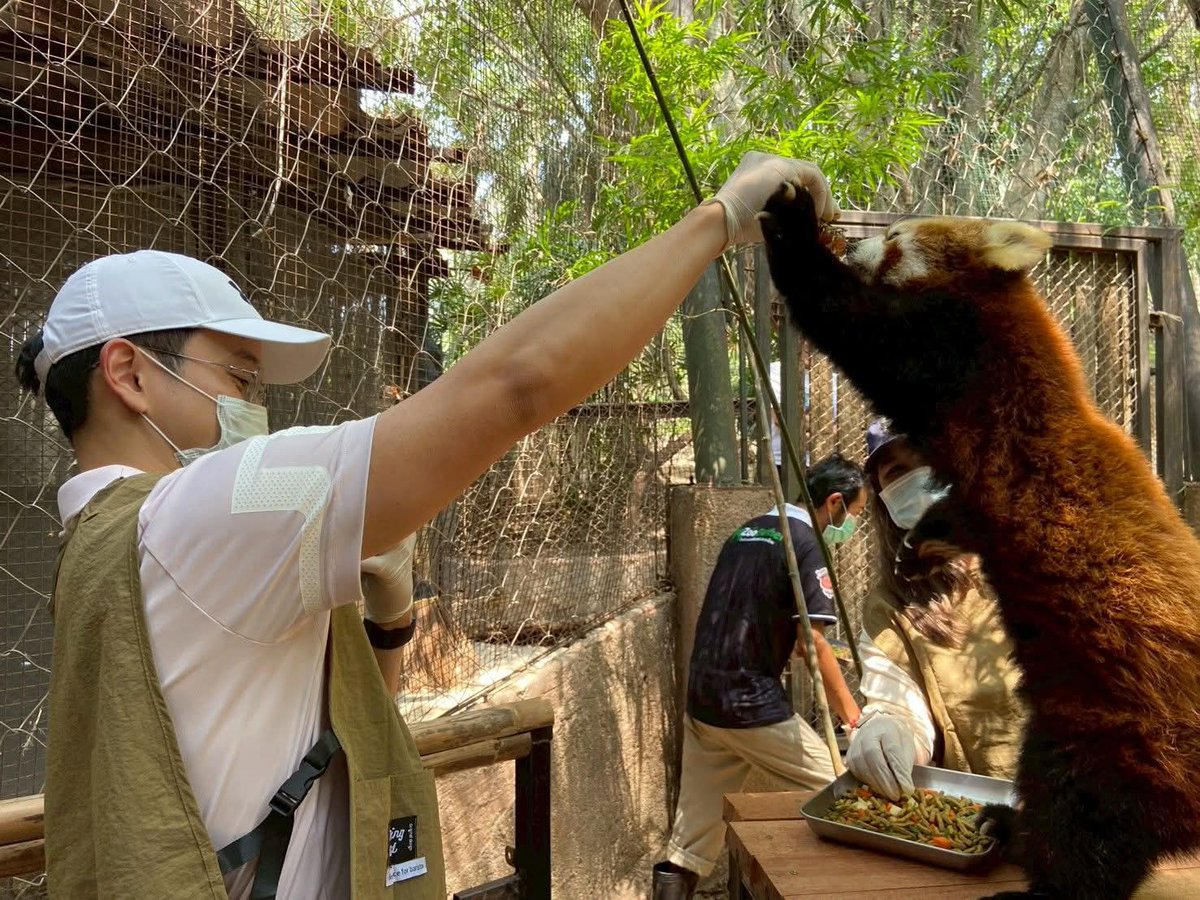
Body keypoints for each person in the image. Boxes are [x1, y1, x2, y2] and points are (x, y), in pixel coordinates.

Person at [17, 152, 839, 898]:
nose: (253, 408)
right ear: (128, 373)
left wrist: (391, 621)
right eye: (237, 375)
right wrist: (719, 220)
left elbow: (340, 726)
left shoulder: (102, 542)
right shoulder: (189, 515)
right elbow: (517, 385)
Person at [656, 453, 866, 898]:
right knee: (843, 794)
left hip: (705, 700)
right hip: (750, 705)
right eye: (855, 513)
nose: (852, 526)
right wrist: (852, 714)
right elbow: (813, 641)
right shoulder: (804, 542)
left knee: (690, 843)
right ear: (835, 502)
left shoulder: (747, 530)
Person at [845, 421, 1026, 801]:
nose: (920, 476)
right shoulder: (890, 606)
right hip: (984, 819)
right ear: (883, 499)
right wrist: (888, 732)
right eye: (897, 471)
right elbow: (904, 710)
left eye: (928, 453)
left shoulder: (1041, 557)